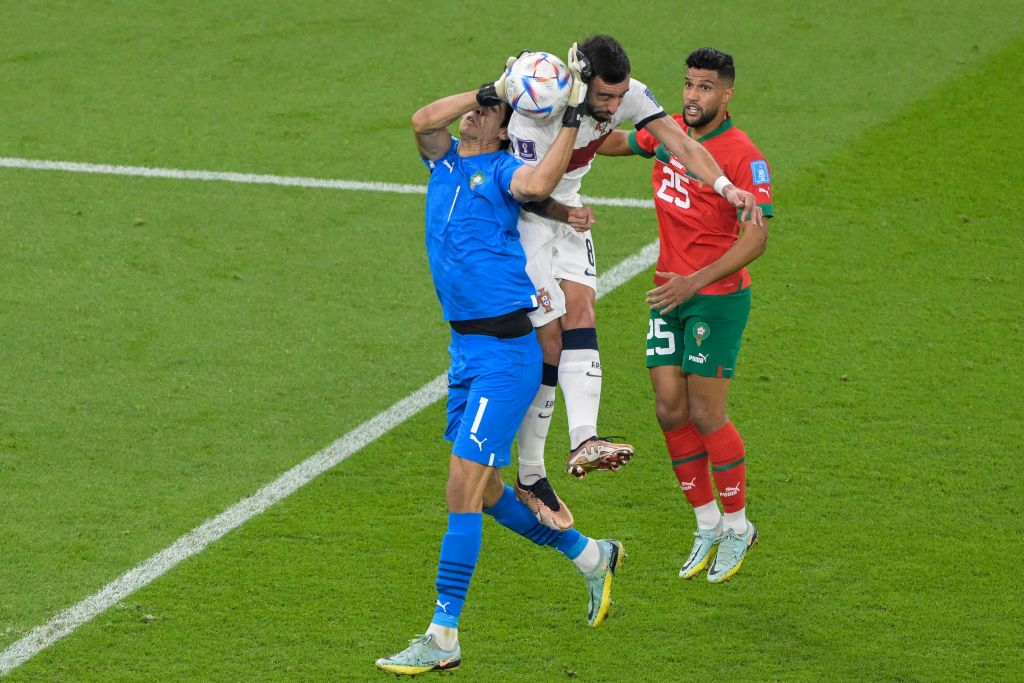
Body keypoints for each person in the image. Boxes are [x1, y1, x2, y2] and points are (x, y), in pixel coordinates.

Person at [375, 54, 623, 677]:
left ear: (504, 127)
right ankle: (591, 555)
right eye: (477, 106)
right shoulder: (444, 161)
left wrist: (570, 115)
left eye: (488, 111)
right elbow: (421, 119)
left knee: (460, 488)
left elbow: (539, 185)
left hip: (505, 358)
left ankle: (443, 635)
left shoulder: (506, 170)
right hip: (465, 352)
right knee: (485, 493)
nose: (475, 113)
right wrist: (489, 88)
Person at [507, 36, 764, 533]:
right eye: (604, 97)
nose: (612, 108)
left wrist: (725, 186)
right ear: (581, 84)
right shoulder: (540, 109)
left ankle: (584, 439)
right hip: (528, 217)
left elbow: (681, 143)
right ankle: (531, 473)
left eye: (619, 96)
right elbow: (532, 192)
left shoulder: (628, 96)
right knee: (549, 341)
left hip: (569, 211)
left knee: (582, 311)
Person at [596, 47, 772, 582]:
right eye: (689, 84)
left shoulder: (744, 157)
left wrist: (694, 281)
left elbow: (756, 239)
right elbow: (617, 142)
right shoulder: (668, 132)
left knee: (706, 414)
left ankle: (739, 526)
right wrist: (565, 128)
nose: (693, 96)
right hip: (668, 293)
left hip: (714, 299)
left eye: (705, 87)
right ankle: (707, 523)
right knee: (669, 410)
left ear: (727, 93)